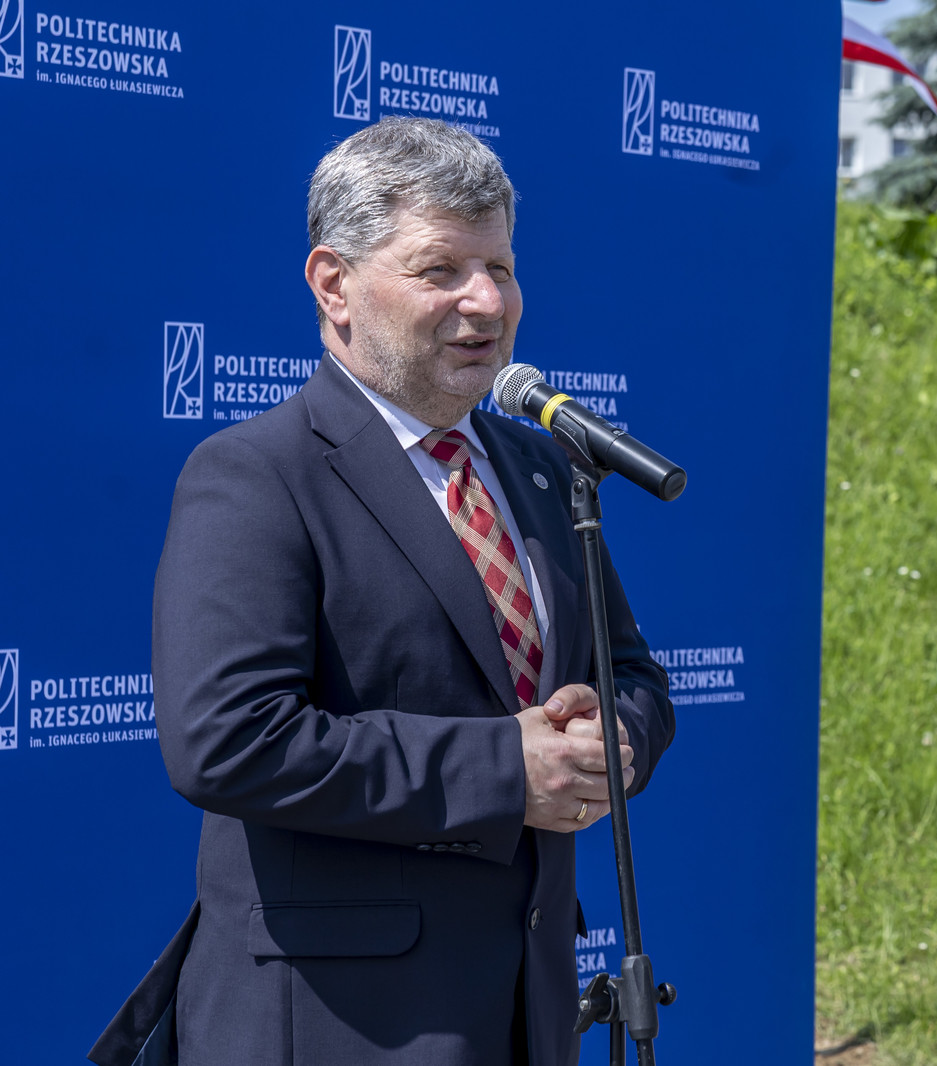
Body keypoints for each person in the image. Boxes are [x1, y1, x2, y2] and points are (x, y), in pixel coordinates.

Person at [90, 116, 673, 1066]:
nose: (487, 301)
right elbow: (227, 741)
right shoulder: (255, 474)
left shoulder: (539, 467)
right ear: (334, 284)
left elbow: (634, 674)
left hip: (526, 1008)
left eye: (501, 268)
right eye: (441, 270)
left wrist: (612, 743)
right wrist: (506, 769)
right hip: (340, 1023)